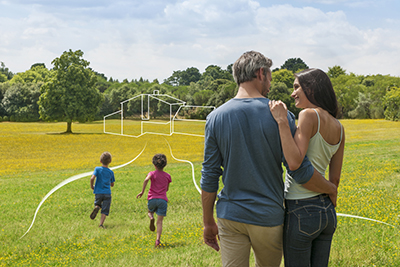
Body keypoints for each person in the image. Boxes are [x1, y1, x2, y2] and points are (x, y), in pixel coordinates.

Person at [201, 51, 337, 267]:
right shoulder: (280, 115)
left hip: (230, 215)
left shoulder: (215, 117)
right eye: (270, 78)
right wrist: (329, 188)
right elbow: (298, 169)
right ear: (260, 73)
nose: (270, 85)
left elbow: (209, 174)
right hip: (268, 218)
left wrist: (208, 222)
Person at [269, 68, 345, 267]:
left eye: (296, 87)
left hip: (300, 209)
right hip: (327, 213)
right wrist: (331, 193)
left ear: (311, 88)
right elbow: (334, 180)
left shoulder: (308, 115)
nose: (292, 93)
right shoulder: (339, 127)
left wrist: (281, 121)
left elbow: (294, 163)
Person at [137, 153, 172, 248]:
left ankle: (151, 217)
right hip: (163, 200)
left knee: (150, 212)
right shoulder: (167, 176)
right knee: (160, 222)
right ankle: (157, 240)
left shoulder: (152, 173)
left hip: (152, 199)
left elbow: (145, 180)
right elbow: (167, 189)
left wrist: (142, 191)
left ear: (154, 165)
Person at [90, 152, 115, 228]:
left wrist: (92, 186)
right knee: (105, 209)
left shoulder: (97, 169)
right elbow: (112, 184)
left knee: (98, 204)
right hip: (107, 193)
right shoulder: (111, 172)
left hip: (98, 192)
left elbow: (92, 178)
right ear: (110, 161)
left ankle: (97, 207)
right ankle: (101, 224)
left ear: (100, 161)